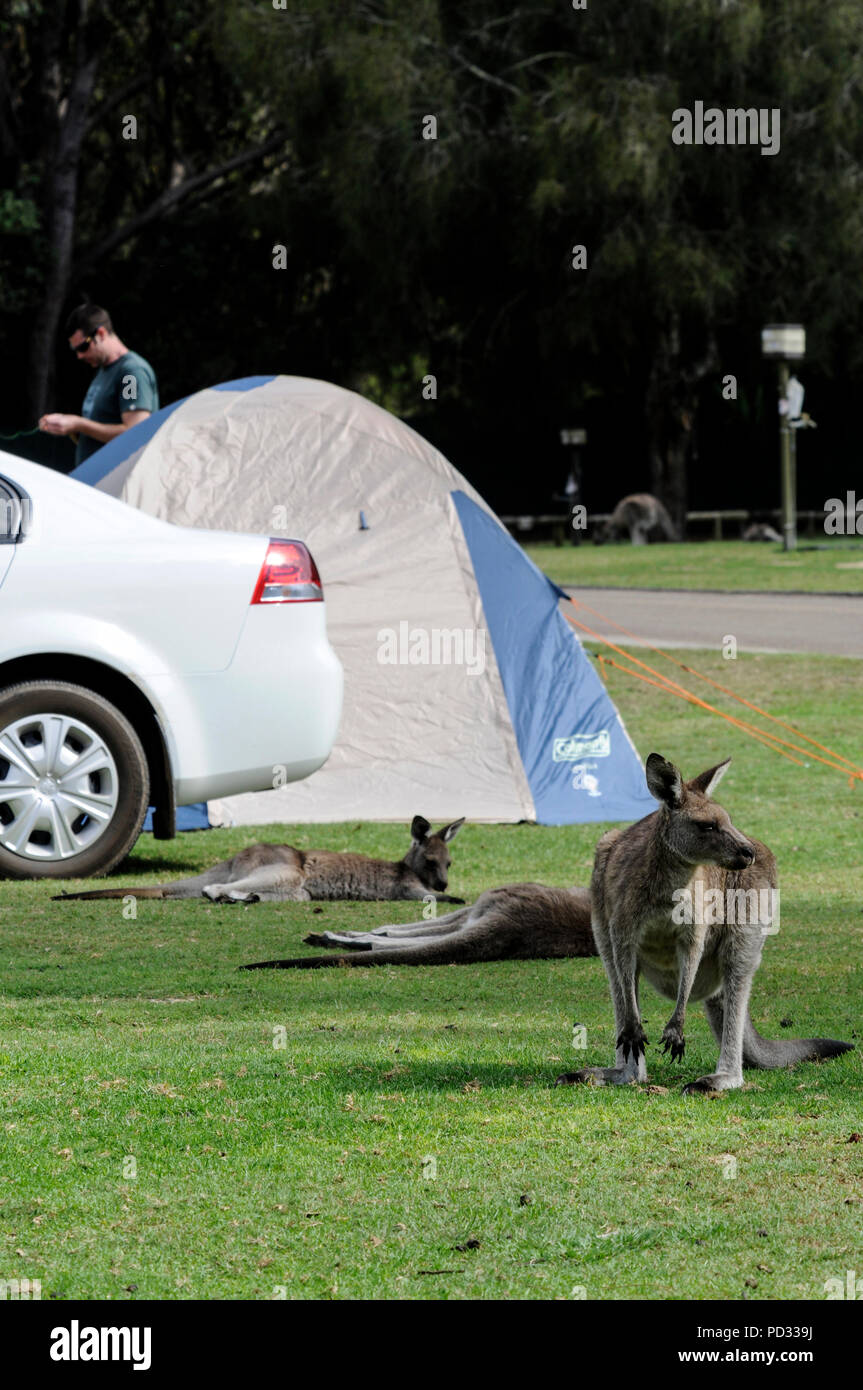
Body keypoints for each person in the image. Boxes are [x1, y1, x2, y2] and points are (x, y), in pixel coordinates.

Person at [39, 304, 159, 466]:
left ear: (101, 333)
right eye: (75, 350)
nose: (80, 356)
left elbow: (135, 432)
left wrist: (78, 423)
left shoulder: (130, 373)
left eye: (83, 347)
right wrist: (70, 426)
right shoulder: (104, 370)